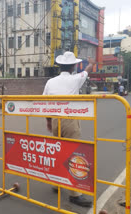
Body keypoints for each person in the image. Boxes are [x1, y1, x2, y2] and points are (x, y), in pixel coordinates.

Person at [43, 51, 95, 208]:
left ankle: (56, 184)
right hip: (70, 119)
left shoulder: (50, 82)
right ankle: (75, 194)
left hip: (56, 120)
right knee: (74, 154)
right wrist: (91, 62)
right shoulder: (75, 79)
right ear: (73, 66)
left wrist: (49, 121)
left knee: (58, 152)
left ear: (60, 66)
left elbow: (45, 103)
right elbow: (89, 70)